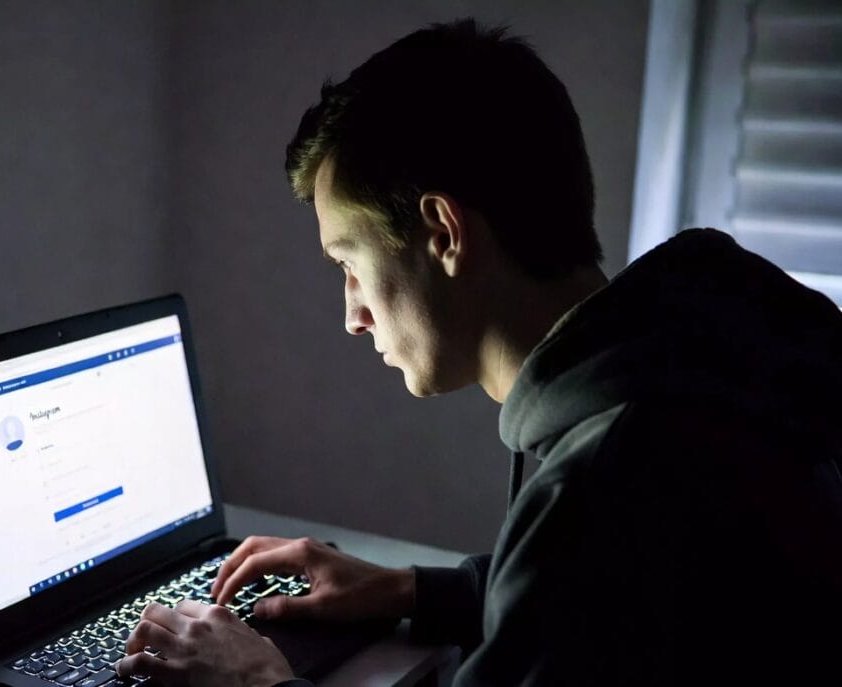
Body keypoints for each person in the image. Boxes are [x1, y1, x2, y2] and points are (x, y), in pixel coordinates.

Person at [115, 19, 842, 686]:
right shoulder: (710, 346)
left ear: (444, 233)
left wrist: (253, 678)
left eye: (350, 264)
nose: (353, 317)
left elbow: (592, 557)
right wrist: (414, 588)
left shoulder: (603, 480)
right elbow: (625, 596)